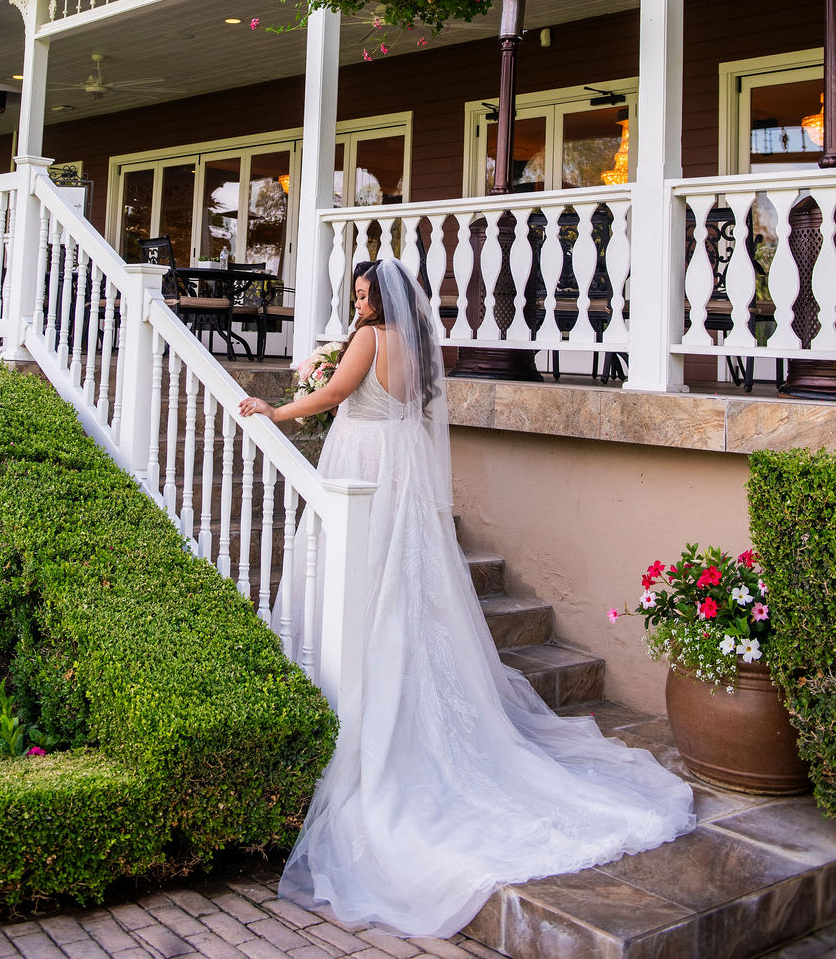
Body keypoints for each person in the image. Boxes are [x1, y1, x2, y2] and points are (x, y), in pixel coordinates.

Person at [239, 258, 694, 938]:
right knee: (401, 579)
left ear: (383, 299)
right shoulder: (418, 343)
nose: (361, 306)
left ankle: (356, 696)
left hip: (362, 460)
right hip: (397, 464)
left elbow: (334, 396)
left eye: (367, 297)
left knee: (359, 570)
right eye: (357, 297)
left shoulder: (369, 338)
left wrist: (277, 407)